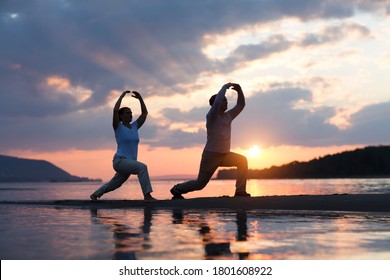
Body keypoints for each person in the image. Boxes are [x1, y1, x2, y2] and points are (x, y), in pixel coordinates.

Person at [170, 83, 250, 199]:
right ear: (215, 105)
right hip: (210, 156)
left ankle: (240, 191)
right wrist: (224, 87)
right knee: (200, 184)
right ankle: (177, 189)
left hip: (225, 155)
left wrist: (239, 90)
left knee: (242, 161)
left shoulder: (229, 116)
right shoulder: (212, 116)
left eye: (226, 100)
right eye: (224, 100)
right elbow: (217, 103)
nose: (226, 102)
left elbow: (241, 105)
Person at [90, 90, 156, 201]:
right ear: (121, 116)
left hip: (129, 162)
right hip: (120, 161)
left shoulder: (134, 126)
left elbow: (144, 114)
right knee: (142, 167)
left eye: (130, 113)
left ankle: (95, 195)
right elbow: (115, 110)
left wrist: (140, 99)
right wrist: (121, 96)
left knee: (115, 184)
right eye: (127, 113)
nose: (130, 115)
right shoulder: (118, 127)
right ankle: (147, 196)